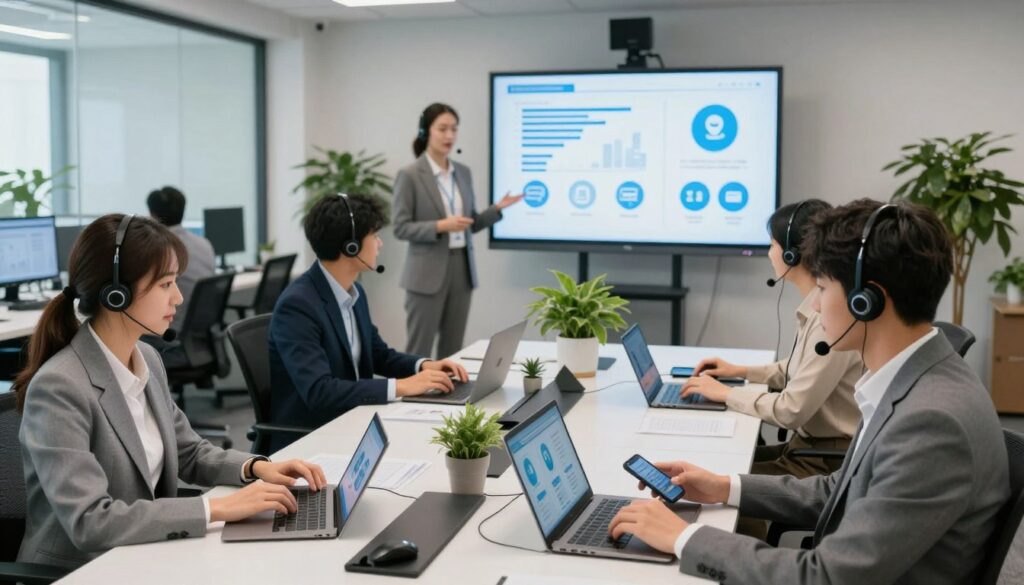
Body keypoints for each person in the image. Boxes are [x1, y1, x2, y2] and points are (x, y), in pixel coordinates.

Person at [608, 199, 1010, 584]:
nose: (815, 306)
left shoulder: (931, 423)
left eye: (821, 286)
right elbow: (840, 491)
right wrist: (725, 486)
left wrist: (684, 538)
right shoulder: (910, 380)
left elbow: (827, 576)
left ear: (866, 301)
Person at [13, 214, 326, 569]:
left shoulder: (146, 358)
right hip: (81, 569)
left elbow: (189, 452)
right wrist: (216, 508)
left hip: (142, 553)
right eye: (165, 284)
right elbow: (90, 521)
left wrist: (255, 467)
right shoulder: (60, 387)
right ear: (116, 294)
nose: (178, 297)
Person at [268, 193, 468, 451]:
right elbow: (320, 391)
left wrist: (423, 365)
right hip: (313, 439)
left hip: (354, 422)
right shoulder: (298, 306)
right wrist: (401, 387)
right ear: (350, 247)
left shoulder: (354, 292)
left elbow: (378, 354)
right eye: (374, 235)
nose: (380, 243)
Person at [683, 200, 862, 478]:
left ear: (792, 254)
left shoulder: (828, 319)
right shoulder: (817, 308)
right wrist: (739, 371)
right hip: (809, 448)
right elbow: (796, 369)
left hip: (825, 462)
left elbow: (791, 410)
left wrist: (726, 394)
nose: (769, 253)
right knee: (709, 464)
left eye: (772, 245)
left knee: (713, 481)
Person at [392, 102, 524, 358]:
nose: (450, 135)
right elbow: (400, 227)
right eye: (442, 129)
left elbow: (469, 223)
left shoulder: (462, 173)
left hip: (461, 270)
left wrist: (497, 209)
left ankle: (448, 386)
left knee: (453, 350)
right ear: (425, 132)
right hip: (426, 274)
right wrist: (441, 226)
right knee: (419, 349)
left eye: (454, 129)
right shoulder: (410, 175)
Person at [146, 186, 215, 331]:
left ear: (153, 215)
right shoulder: (205, 244)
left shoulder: (158, 249)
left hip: (172, 326)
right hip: (199, 327)